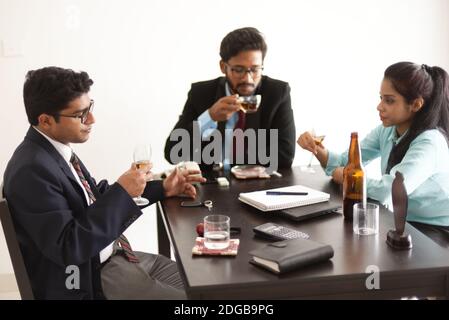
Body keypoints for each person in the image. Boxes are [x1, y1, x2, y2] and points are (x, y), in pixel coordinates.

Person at [2, 66, 205, 299]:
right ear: (46, 121)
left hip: (118, 257)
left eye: (90, 108)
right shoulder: (31, 169)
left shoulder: (53, 151)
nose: (92, 119)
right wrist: (122, 191)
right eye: (80, 114)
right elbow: (69, 246)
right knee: (198, 300)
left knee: (201, 284)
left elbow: (92, 200)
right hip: (91, 278)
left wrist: (164, 188)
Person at [297, 61, 449, 246]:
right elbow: (348, 162)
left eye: (389, 100)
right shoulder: (387, 130)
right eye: (381, 98)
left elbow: (390, 190)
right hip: (406, 223)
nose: (379, 106)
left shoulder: (429, 143)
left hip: (437, 231)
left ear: (415, 104)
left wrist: (347, 177)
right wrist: (318, 150)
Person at [164, 27, 296, 171]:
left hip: (258, 186)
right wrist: (209, 117)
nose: (248, 78)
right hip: (212, 186)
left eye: (255, 69)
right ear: (223, 66)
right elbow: (172, 153)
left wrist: (231, 161)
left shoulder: (277, 93)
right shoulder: (201, 93)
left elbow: (285, 157)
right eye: (239, 70)